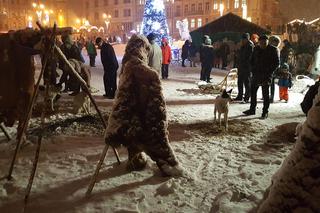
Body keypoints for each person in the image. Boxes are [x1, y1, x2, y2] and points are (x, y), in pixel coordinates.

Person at [104, 34, 183, 176]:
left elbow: (122, 100)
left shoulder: (125, 69)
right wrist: (159, 128)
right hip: (144, 119)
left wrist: (116, 124)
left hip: (130, 121)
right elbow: (157, 109)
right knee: (156, 143)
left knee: (134, 139)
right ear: (144, 50)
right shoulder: (148, 74)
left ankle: (137, 160)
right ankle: (170, 167)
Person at [243, 35, 280, 119]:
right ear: (259, 42)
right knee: (253, 92)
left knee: (265, 94)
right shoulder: (256, 49)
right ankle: (252, 109)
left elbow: (276, 63)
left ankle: (265, 112)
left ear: (267, 42)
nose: (263, 45)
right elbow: (251, 60)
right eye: (261, 43)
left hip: (266, 75)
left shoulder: (273, 50)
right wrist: (252, 69)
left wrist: (270, 72)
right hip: (256, 74)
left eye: (265, 43)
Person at [234, 33, 254, 102]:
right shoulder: (243, 45)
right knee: (240, 82)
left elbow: (249, 58)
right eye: (242, 39)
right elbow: (241, 55)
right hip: (241, 66)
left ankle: (247, 97)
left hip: (247, 67)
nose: (242, 40)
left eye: (244, 39)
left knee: (247, 82)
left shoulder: (250, 46)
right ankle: (240, 96)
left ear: (247, 39)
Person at [268, 35, 282, 103]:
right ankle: (269, 96)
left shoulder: (275, 49)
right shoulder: (274, 49)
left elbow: (277, 61)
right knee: (269, 83)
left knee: (271, 83)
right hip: (271, 67)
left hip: (272, 68)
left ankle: (271, 97)